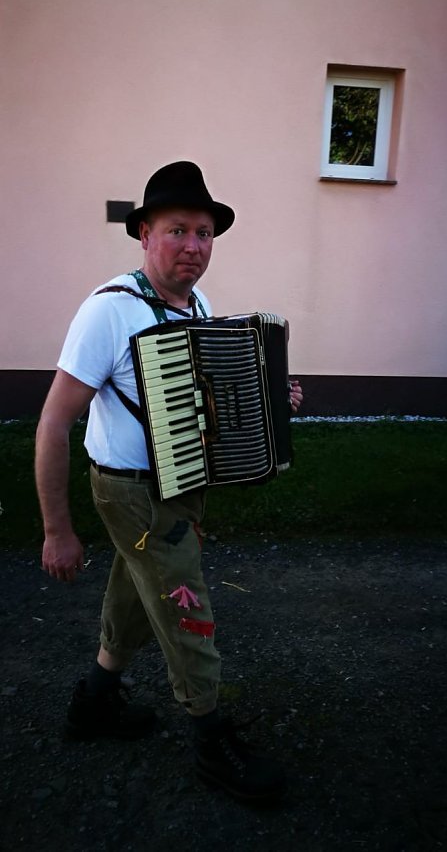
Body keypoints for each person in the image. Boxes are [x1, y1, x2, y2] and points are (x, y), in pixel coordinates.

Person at [35, 161, 303, 803]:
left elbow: (205, 399)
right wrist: (56, 530)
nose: (193, 246)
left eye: (205, 232)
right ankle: (212, 738)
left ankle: (95, 703)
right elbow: (51, 424)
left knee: (137, 589)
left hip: (180, 484)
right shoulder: (108, 312)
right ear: (145, 233)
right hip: (131, 493)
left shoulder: (197, 303)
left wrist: (272, 397)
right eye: (178, 230)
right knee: (186, 606)